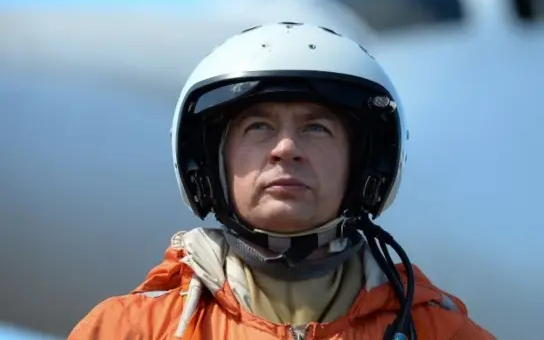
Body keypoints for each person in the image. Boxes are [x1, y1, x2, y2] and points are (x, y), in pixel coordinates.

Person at [68, 22, 496, 340]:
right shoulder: (127, 331)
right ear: (210, 165)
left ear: (364, 166)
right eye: (258, 127)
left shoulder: (441, 332)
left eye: (316, 128)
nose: (285, 148)